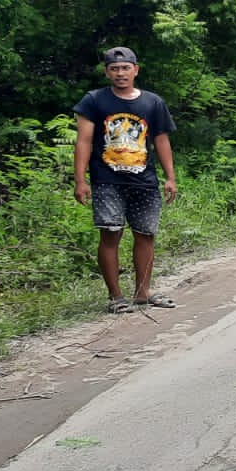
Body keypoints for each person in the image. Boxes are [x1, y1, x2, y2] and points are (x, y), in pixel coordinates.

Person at [72, 46, 179, 314]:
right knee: (110, 234)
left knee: (146, 235)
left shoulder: (153, 102)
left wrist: (170, 177)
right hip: (107, 180)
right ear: (107, 72)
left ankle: (143, 292)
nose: (120, 73)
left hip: (144, 180)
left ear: (136, 70)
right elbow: (84, 141)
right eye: (115, 68)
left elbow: (161, 140)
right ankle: (115, 296)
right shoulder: (94, 100)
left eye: (125, 68)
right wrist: (80, 180)